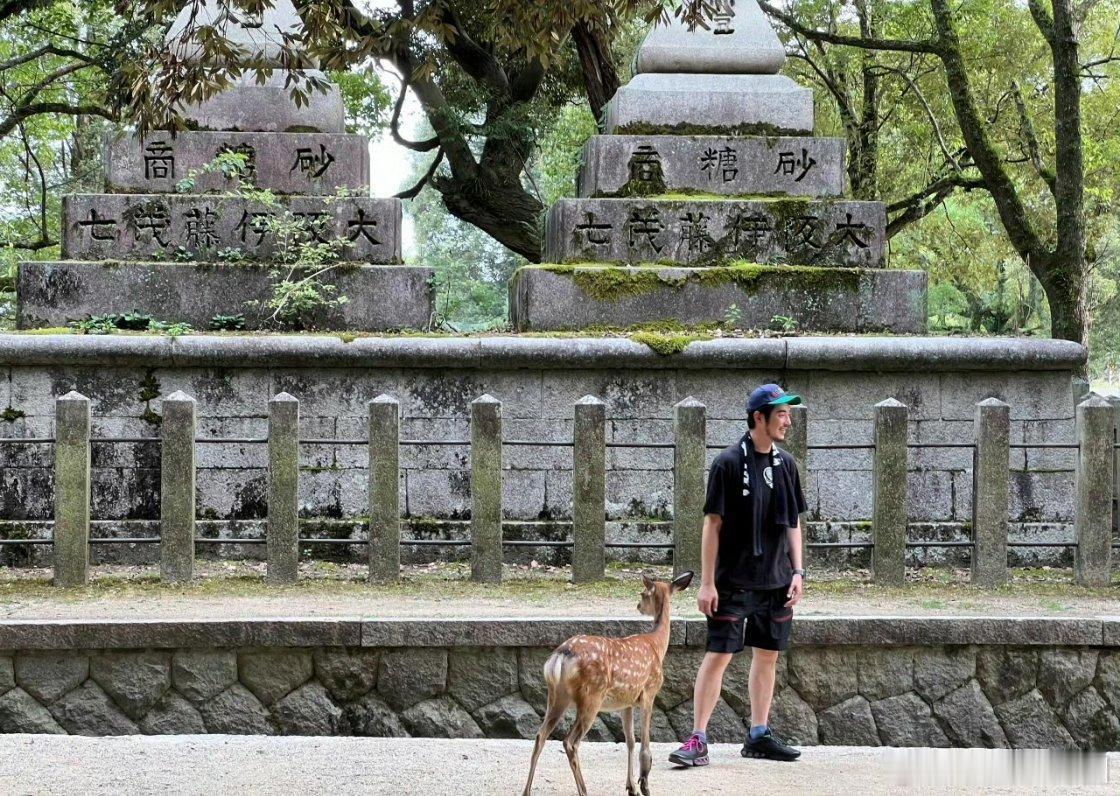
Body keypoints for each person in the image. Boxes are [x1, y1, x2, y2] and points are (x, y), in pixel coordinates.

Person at [668, 384, 807, 767]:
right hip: (733, 580)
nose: (788, 421)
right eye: (781, 413)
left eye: (788, 413)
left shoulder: (788, 465)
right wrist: (708, 582)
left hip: (777, 580)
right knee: (719, 655)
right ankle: (698, 738)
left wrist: (797, 571)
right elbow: (712, 525)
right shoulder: (727, 464)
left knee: (768, 656)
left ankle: (759, 734)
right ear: (758, 417)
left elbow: (793, 522)